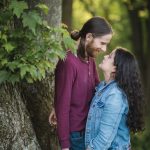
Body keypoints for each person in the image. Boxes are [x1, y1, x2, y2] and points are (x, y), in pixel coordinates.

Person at [49, 16, 113, 150]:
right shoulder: (68, 62)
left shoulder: (90, 59)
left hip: (89, 131)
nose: (104, 49)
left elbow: (97, 90)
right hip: (75, 136)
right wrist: (65, 145)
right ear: (89, 37)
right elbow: (63, 106)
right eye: (102, 43)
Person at [85, 47, 145, 150]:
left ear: (115, 68)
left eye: (109, 57)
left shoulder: (115, 95)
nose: (105, 56)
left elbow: (103, 140)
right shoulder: (103, 87)